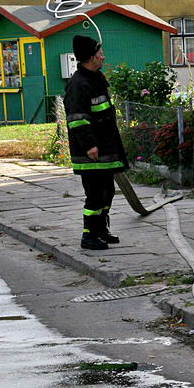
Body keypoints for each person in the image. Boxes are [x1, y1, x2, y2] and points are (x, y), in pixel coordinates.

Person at [63, 34, 128, 251]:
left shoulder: (95, 79)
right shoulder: (79, 84)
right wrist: (90, 144)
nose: (103, 57)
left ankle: (101, 230)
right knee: (95, 195)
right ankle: (88, 235)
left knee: (107, 192)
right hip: (91, 152)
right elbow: (77, 119)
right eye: (100, 54)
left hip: (104, 150)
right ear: (91, 58)